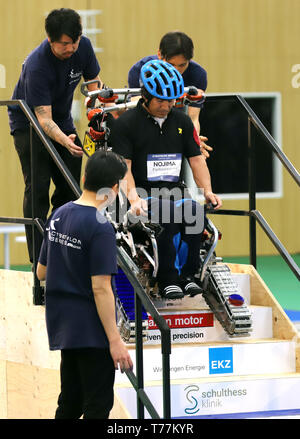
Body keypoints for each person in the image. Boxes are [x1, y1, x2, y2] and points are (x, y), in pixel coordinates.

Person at [111, 60, 222, 300]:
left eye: (171, 100)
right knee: (167, 215)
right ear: (145, 96)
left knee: (195, 212)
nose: (167, 106)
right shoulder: (126, 125)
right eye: (160, 100)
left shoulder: (181, 122)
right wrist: (133, 199)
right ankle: (168, 279)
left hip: (176, 193)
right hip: (143, 195)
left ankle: (190, 276)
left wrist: (208, 191)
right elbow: (124, 169)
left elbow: (196, 160)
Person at [36, 149, 133, 419]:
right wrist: (115, 340)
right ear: (113, 189)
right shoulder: (101, 226)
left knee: (70, 402)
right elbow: (101, 287)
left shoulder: (59, 214)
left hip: (63, 328)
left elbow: (41, 272)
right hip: (92, 332)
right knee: (97, 406)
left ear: (84, 177)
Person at [8, 8, 104, 263]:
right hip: (28, 122)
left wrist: (101, 109)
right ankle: (38, 261)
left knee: (71, 190)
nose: (71, 48)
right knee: (38, 188)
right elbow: (43, 120)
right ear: (50, 39)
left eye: (74, 42)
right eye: (64, 44)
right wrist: (67, 141)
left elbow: (94, 84)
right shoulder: (36, 65)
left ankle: (62, 250)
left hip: (60, 119)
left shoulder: (82, 46)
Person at [127, 31, 212, 157]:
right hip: (145, 126)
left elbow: (193, 118)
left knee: (197, 153)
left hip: (177, 125)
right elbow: (137, 110)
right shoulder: (140, 70)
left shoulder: (198, 75)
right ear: (160, 55)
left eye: (182, 65)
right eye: (171, 65)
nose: (176, 70)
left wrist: (194, 142)